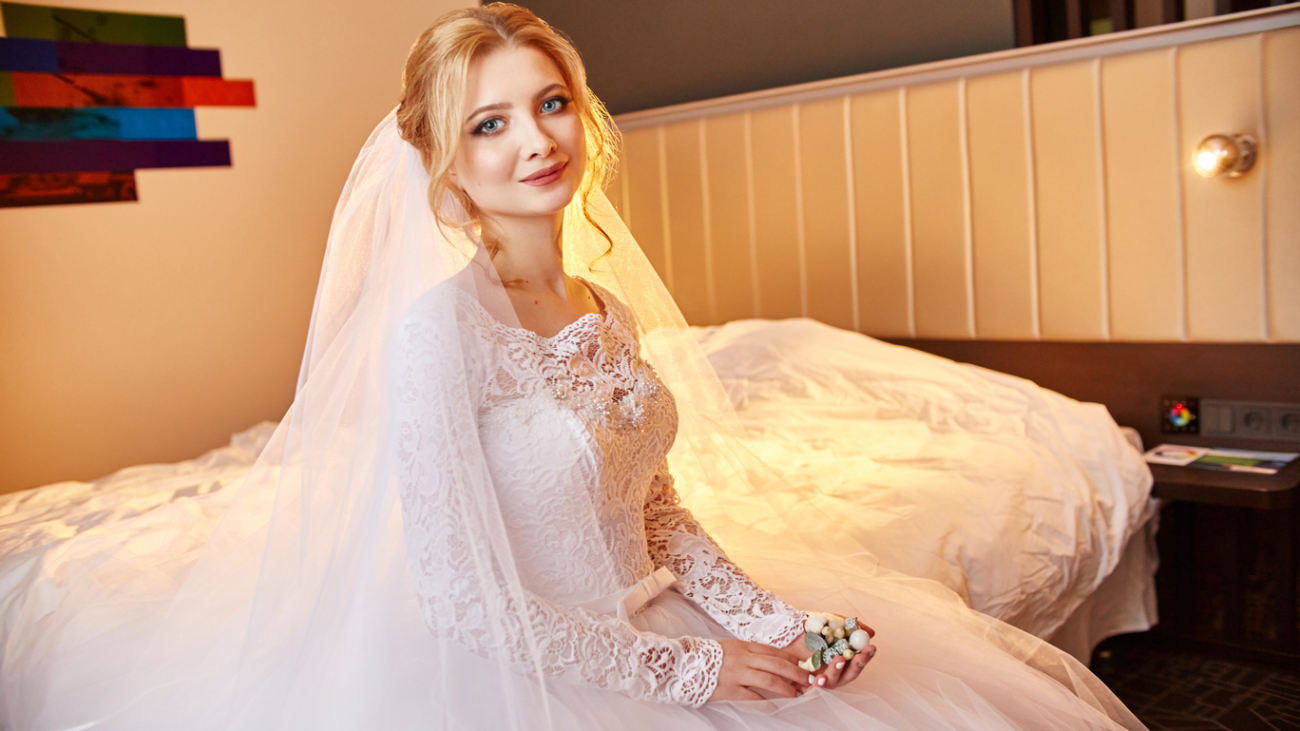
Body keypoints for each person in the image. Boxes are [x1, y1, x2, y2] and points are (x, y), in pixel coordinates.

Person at [1, 5, 1146, 730]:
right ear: (444, 160)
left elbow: (653, 506)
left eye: (549, 104)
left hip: (650, 615)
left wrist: (772, 617)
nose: (535, 139)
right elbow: (461, 598)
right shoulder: (437, 330)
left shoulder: (599, 306)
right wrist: (697, 676)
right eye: (489, 122)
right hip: (523, 663)